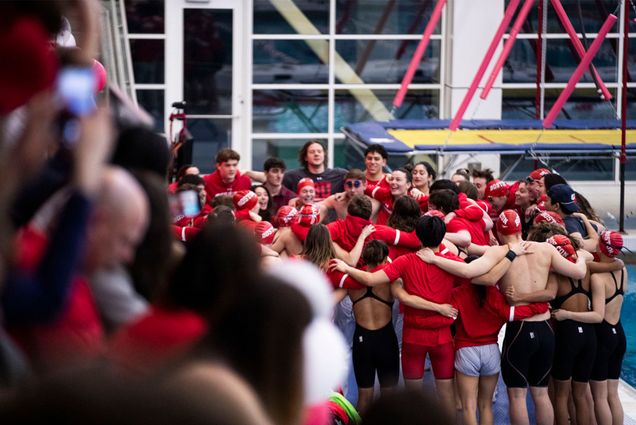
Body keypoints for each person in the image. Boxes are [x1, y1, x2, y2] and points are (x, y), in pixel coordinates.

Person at [419, 210, 592, 425]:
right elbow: (578, 273)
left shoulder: (498, 252)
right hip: (545, 329)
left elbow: (467, 271)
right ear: (521, 229)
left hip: (519, 330)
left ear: (499, 232)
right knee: (541, 394)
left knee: (517, 395)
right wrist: (583, 257)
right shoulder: (546, 249)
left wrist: (434, 258)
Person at [330, 216, 460, 419]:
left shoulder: (400, 264)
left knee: (380, 396)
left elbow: (368, 281)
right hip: (420, 338)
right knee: (440, 394)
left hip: (390, 339)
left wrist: (347, 268)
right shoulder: (449, 262)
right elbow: (474, 272)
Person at [342, 240, 399, 414]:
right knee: (389, 398)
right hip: (385, 340)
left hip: (362, 342)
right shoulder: (390, 281)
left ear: (365, 259)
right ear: (384, 259)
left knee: (364, 398)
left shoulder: (352, 282)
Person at [590, 231, 627, 425]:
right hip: (619, 334)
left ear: (601, 247)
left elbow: (597, 315)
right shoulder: (623, 270)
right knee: (613, 394)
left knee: (600, 397)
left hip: (603, 335)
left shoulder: (598, 278)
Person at [282, 140, 347, 200]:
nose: (316, 154)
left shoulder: (340, 175)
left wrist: (345, 193)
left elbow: (356, 188)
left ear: (324, 155)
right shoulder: (293, 176)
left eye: (319, 151)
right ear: (305, 157)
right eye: (312, 152)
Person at [546, 184, 599, 252]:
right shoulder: (576, 219)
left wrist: (584, 218)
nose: (544, 203)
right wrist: (584, 218)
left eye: (547, 200)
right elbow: (601, 228)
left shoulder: (568, 225)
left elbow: (592, 245)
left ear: (556, 206)